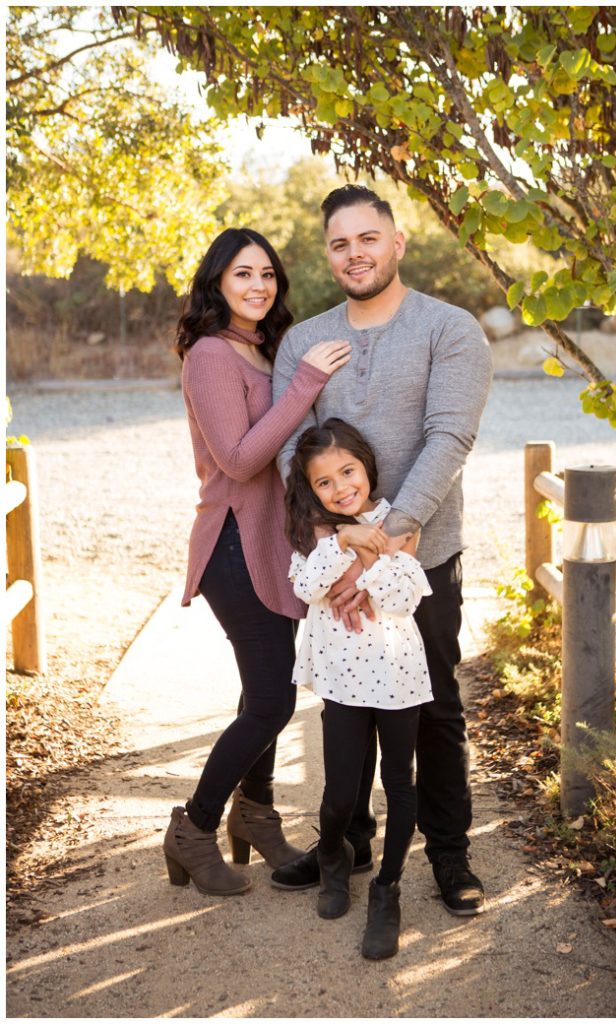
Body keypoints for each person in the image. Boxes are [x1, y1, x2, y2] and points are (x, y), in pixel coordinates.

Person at [271, 185, 493, 917]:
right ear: (327, 254)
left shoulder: (449, 328)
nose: (354, 252)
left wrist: (385, 540)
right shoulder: (304, 340)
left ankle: (449, 856)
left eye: (368, 238)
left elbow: (448, 436)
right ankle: (348, 842)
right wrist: (338, 542)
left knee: (431, 710)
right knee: (346, 708)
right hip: (334, 558)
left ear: (397, 243)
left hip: (420, 562)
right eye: (339, 243)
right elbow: (288, 458)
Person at [163, 227, 352, 896]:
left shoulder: (261, 349)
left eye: (267, 274)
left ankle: (256, 814)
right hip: (233, 547)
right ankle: (194, 827)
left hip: (273, 544)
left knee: (262, 686)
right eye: (243, 274)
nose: (259, 286)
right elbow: (240, 461)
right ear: (217, 282)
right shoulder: (212, 356)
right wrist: (304, 383)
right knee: (272, 700)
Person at [285, 418, 433, 959]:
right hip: (343, 682)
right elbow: (307, 587)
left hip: (398, 679)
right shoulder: (315, 531)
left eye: (348, 471)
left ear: (366, 467)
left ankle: (387, 889)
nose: (340, 487)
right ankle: (332, 859)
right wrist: (346, 540)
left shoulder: (399, 519)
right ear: (311, 488)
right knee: (340, 793)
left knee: (399, 783)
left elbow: (400, 597)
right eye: (325, 481)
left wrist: (367, 556)